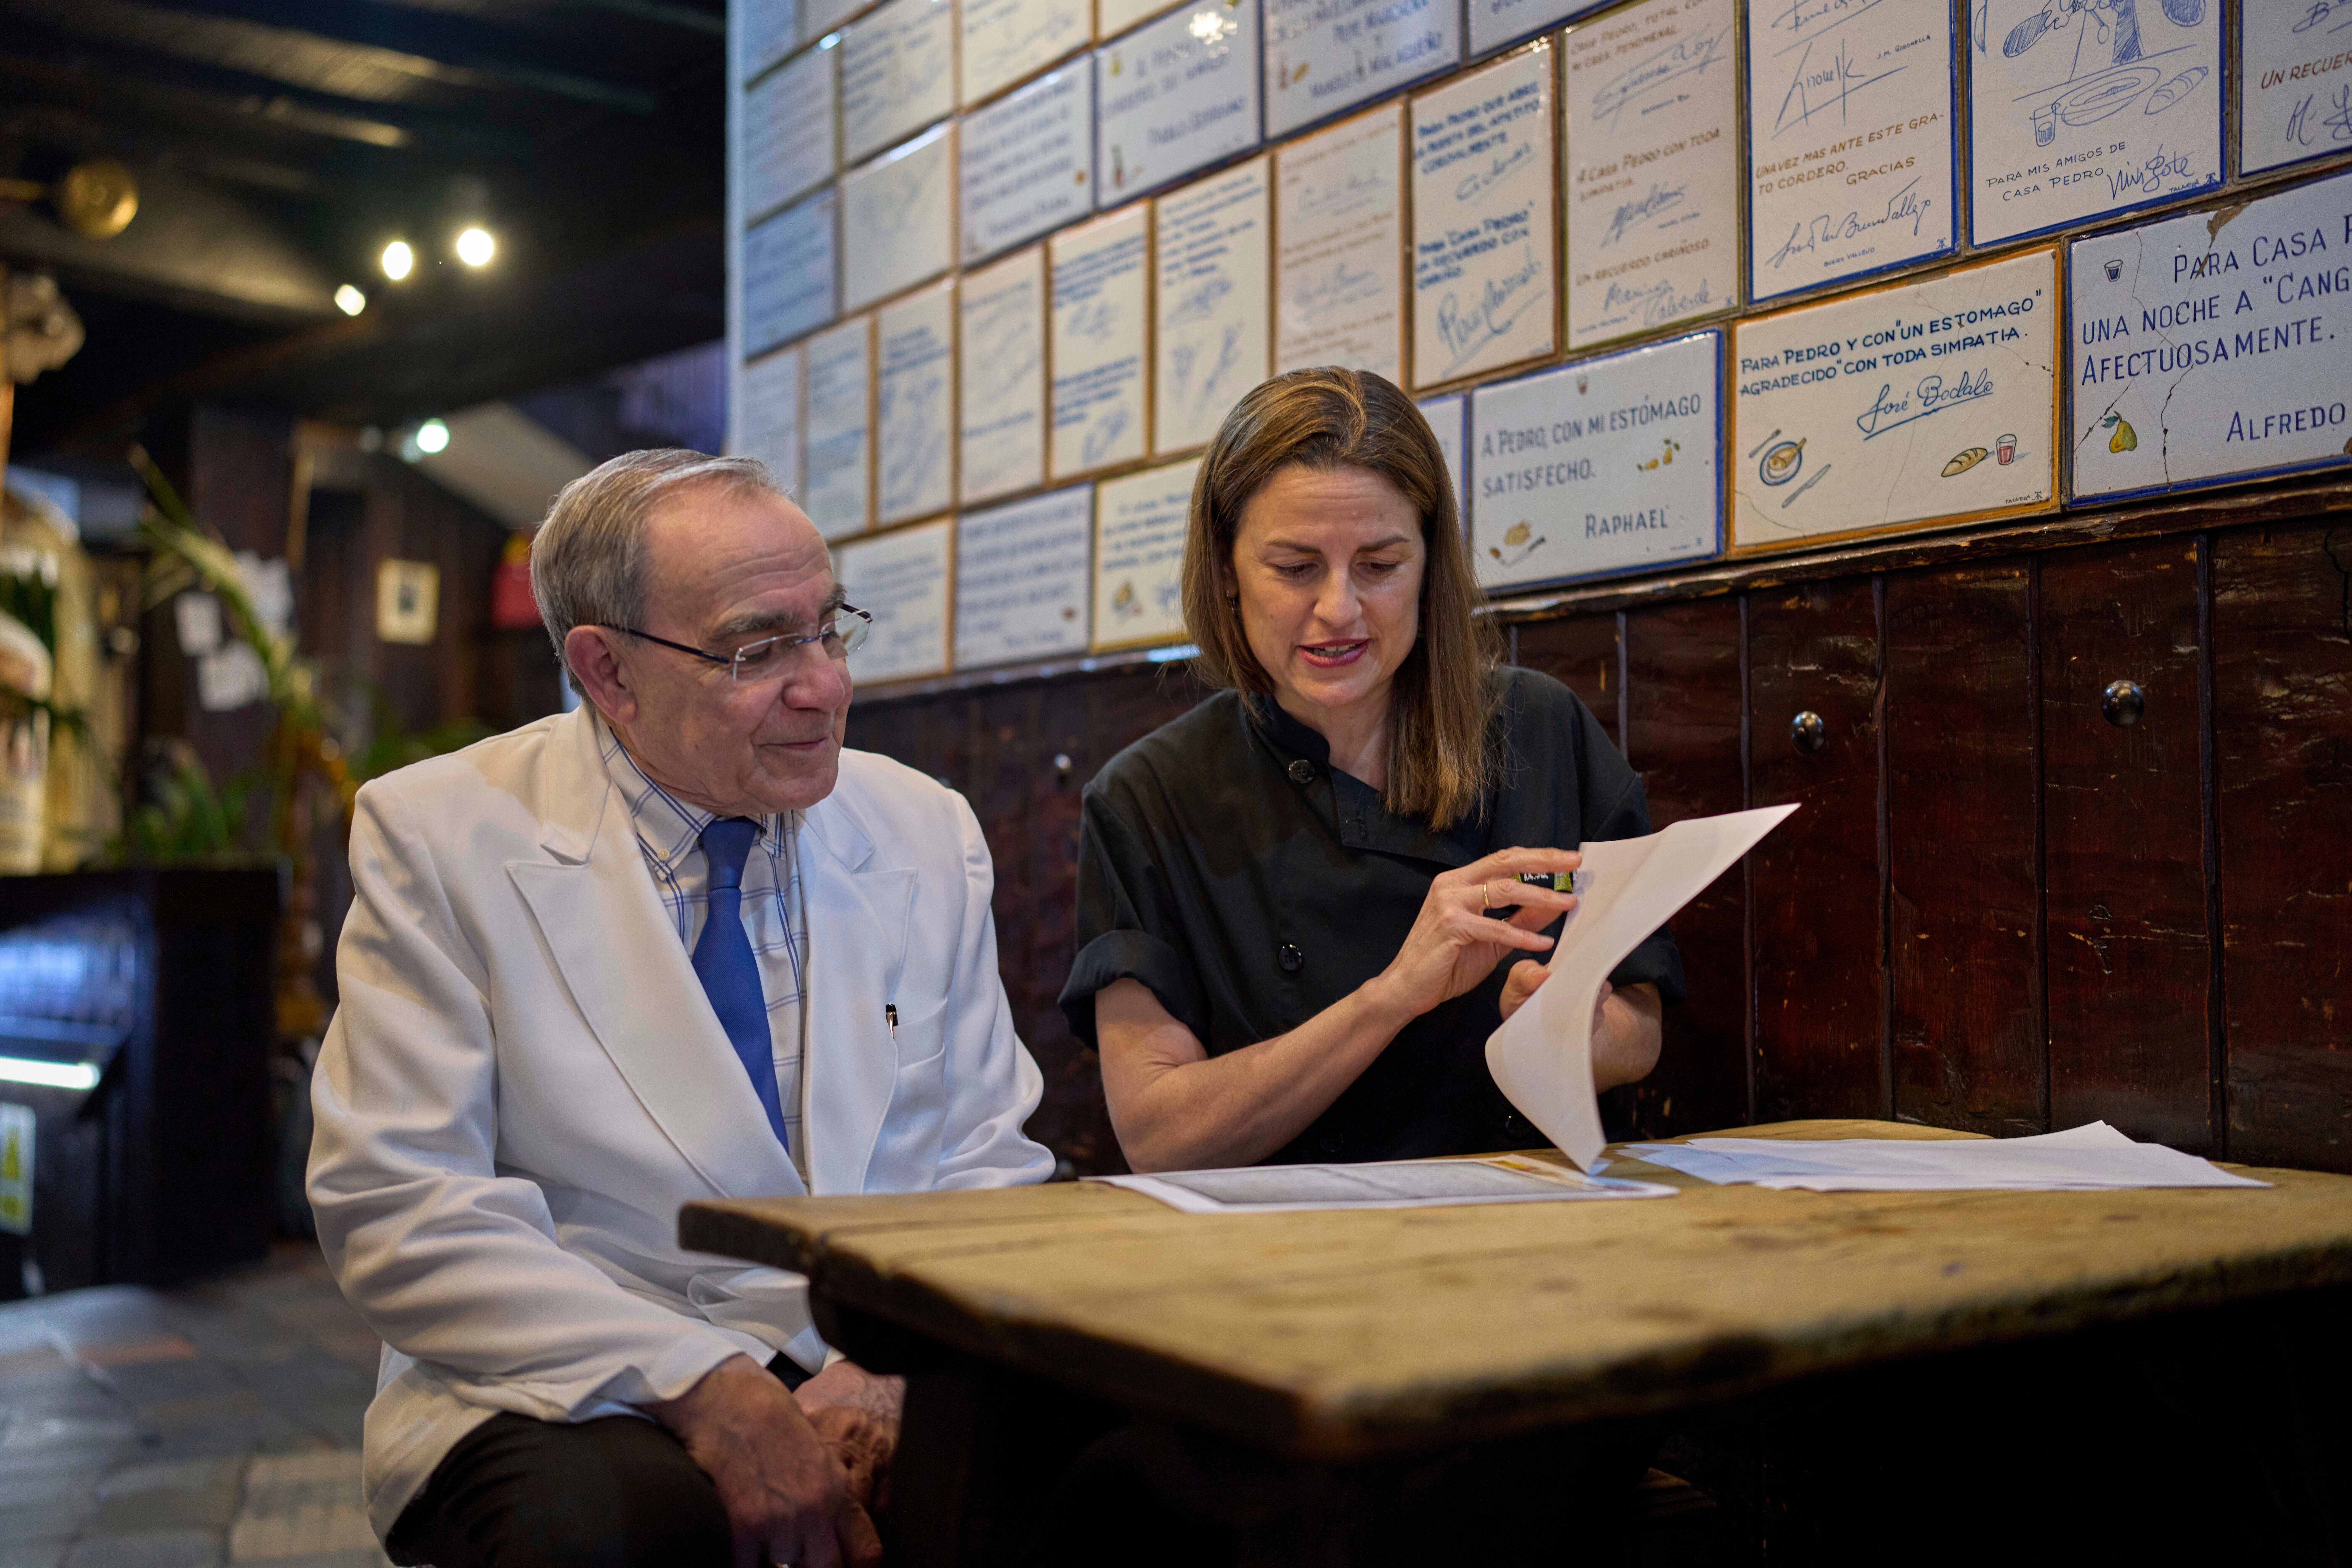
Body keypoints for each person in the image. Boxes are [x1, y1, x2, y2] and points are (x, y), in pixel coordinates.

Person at [309, 449, 1053, 1568]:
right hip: (578, 1371)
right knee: (618, 1533)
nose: (824, 687)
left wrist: (891, 1371)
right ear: (605, 673)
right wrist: (701, 1384)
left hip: (876, 1352)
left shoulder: (922, 831)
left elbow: (982, 1157)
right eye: (760, 650)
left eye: (829, 629)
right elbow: (404, 1207)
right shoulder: (445, 837)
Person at [1058, 368, 1683, 1173]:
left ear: (1430, 563)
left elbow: (1642, 1018)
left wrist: (1588, 1034)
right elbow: (1160, 1133)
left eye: (1381, 565)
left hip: (1528, 1230)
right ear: (1225, 571)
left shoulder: (1539, 729)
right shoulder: (1147, 799)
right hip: (1276, 1255)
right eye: (1295, 568)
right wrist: (1394, 995)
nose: (1340, 609)